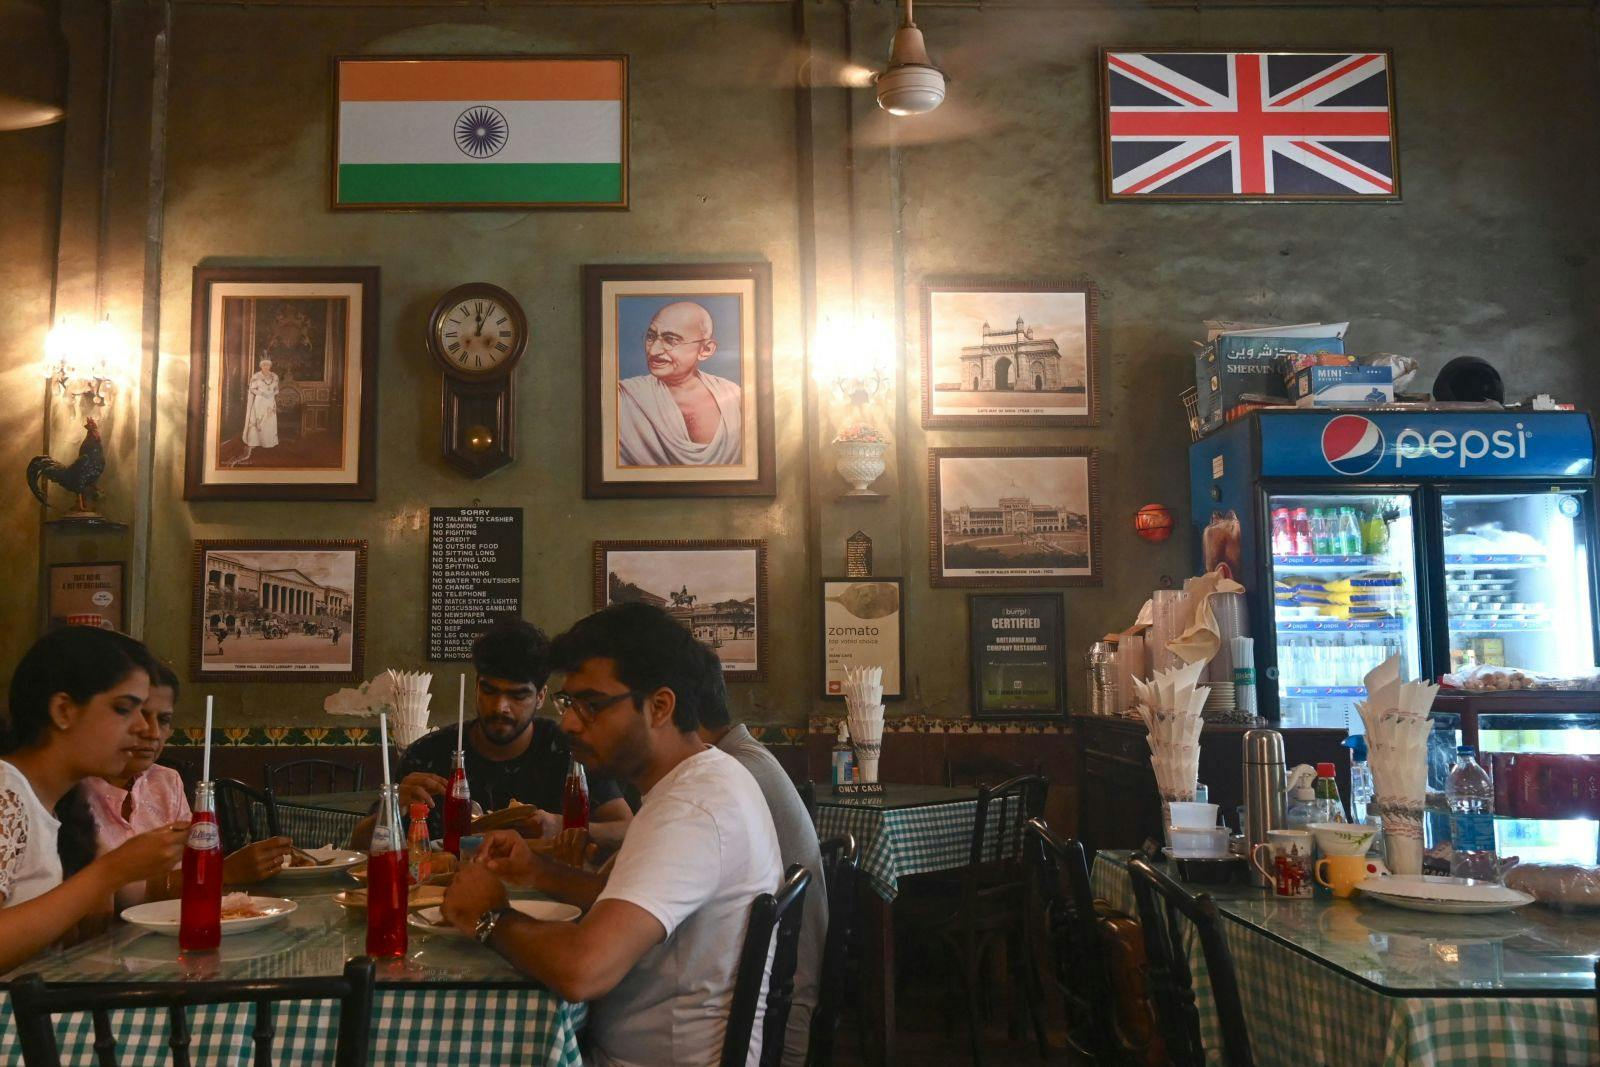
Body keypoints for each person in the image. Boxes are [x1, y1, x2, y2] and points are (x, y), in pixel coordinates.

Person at [441, 602, 784, 1066]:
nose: (568, 722)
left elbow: (583, 970)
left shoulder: (690, 810)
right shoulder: (707, 776)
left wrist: (489, 917)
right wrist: (538, 871)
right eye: (568, 702)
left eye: (592, 705)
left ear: (660, 706)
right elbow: (630, 900)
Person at [0, 627, 191, 972]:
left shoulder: (61, 801)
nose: (146, 730)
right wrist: (109, 873)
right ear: (63, 711)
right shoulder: (5, 792)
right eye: (124, 709)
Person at [352, 620, 631, 848]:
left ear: (541, 697)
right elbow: (358, 844)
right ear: (475, 687)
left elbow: (625, 828)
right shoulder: (428, 754)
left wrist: (563, 827)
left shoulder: (568, 749)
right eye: (489, 691)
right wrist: (395, 808)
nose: (500, 707)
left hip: (545, 898)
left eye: (518, 695)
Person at [81, 661, 294, 906]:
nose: (151, 732)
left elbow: (191, 869)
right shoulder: (72, 792)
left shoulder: (165, 781)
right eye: (134, 713)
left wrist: (225, 871)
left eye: (163, 720)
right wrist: (222, 873)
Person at [617, 300, 744, 468]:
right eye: (651, 337)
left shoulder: (734, 397)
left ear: (705, 350)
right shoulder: (624, 397)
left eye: (671, 340)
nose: (654, 350)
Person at [236, 357, 279, 465]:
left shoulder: (275, 376)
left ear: (270, 365)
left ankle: (268, 442)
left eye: (268, 365)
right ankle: (255, 441)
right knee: (259, 422)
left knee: (269, 423)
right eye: (264, 365)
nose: (266, 367)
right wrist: (262, 394)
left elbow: (277, 389)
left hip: (270, 402)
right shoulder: (256, 376)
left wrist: (272, 394)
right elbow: (251, 389)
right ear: (261, 366)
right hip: (260, 402)